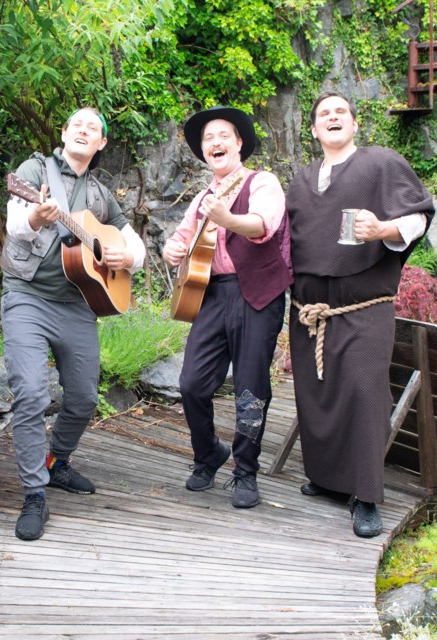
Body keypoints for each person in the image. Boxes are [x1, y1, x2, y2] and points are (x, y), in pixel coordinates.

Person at [285, 92, 434, 537]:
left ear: (353, 124)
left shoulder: (381, 163)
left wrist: (383, 228)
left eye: (340, 112)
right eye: (323, 115)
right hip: (308, 310)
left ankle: (366, 496)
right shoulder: (300, 179)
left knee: (365, 392)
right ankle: (329, 480)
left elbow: (419, 217)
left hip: (363, 305)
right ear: (313, 130)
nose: (332, 118)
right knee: (317, 392)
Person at [0, 107, 146, 541]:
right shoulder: (34, 171)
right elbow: (13, 222)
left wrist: (127, 258)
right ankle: (34, 493)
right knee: (30, 392)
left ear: (101, 143)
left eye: (93, 128)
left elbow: (130, 238)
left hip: (79, 303)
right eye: (76, 124)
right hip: (28, 296)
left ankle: (56, 461)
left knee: (83, 398)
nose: (84, 130)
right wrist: (34, 218)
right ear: (64, 134)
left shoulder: (100, 193)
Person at [162, 107, 292, 509]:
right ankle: (209, 455)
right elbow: (181, 240)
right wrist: (171, 248)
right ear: (203, 152)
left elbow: (262, 225)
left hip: (257, 292)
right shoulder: (202, 197)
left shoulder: (263, 182)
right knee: (191, 383)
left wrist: (227, 217)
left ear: (239, 144)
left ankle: (245, 471)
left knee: (251, 387)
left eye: (223, 136)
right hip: (210, 293)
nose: (215, 142)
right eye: (207, 139)